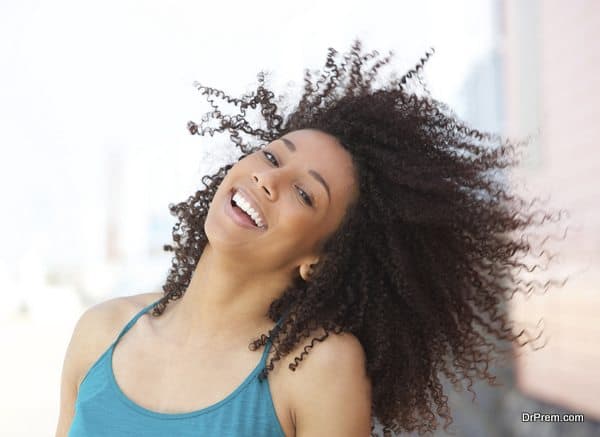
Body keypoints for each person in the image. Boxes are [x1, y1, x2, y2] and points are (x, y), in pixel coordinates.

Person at [55, 38, 567, 436]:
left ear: (319, 259)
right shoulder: (100, 332)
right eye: (273, 155)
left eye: (305, 194)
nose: (268, 179)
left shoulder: (315, 367)